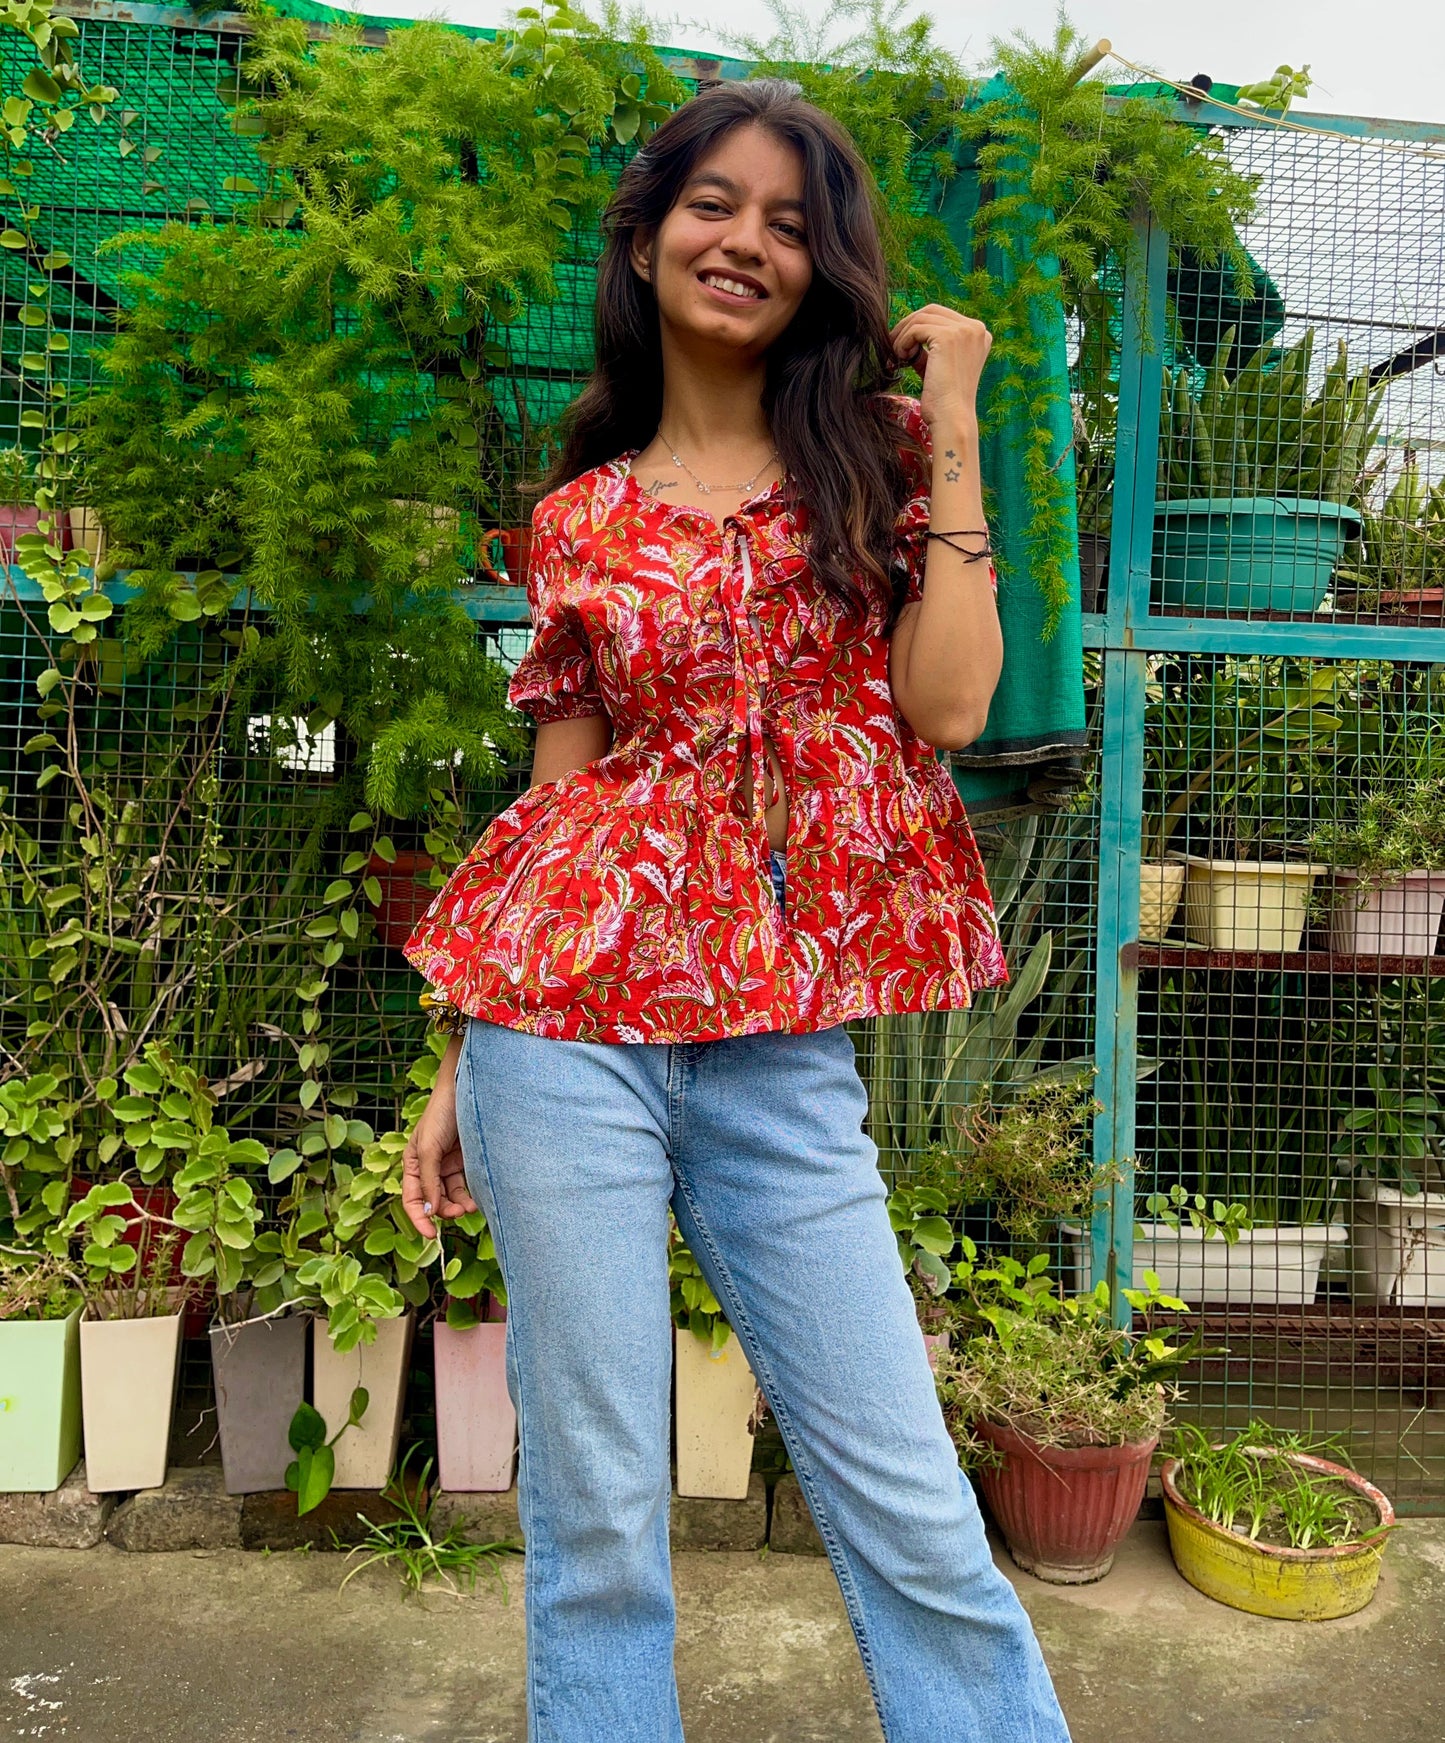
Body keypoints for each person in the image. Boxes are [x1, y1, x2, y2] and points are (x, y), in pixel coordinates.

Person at [400, 77, 1070, 1743]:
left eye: (789, 221)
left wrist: (960, 411)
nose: (747, 242)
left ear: (820, 266)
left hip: (780, 1056)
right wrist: (453, 1067)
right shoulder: (579, 517)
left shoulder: (883, 458)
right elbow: (557, 808)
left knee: (908, 1493)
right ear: (645, 238)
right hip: (560, 1046)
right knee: (599, 1510)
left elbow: (950, 711)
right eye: (715, 205)